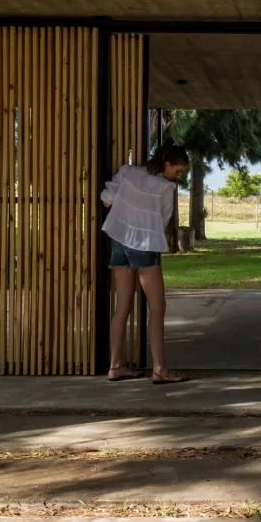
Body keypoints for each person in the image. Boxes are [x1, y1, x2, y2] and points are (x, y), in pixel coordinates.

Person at [100, 142, 190, 384]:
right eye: (178, 170)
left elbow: (106, 198)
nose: (178, 176)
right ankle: (160, 369)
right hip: (144, 245)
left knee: (122, 307)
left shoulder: (128, 172)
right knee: (158, 307)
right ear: (166, 163)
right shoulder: (165, 187)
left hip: (120, 243)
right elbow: (162, 219)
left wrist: (127, 206)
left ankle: (115, 365)